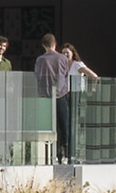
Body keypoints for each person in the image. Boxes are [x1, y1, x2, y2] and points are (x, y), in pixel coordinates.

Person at [27, 32, 97, 172]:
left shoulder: (40, 60)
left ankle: (50, 155)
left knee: (47, 128)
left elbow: (37, 75)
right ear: (55, 44)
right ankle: (67, 154)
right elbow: (65, 73)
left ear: (43, 45)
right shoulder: (62, 59)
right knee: (65, 126)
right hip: (61, 94)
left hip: (45, 97)